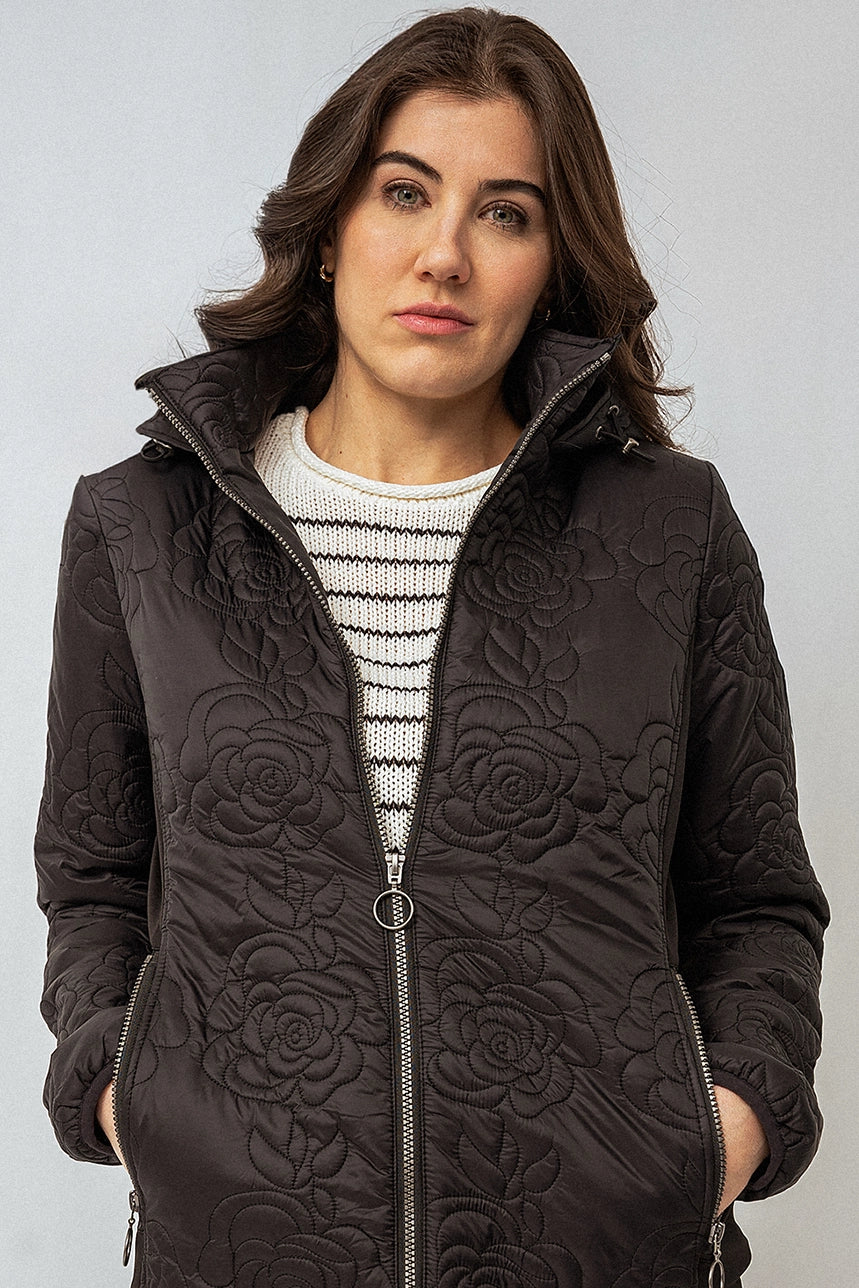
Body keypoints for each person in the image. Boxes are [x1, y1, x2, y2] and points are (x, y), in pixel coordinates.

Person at [35, 8, 828, 1287]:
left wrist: (721, 1127)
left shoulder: (669, 530)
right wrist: (126, 1093)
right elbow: (93, 878)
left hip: (606, 1253)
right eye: (403, 191)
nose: (444, 253)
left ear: (550, 262)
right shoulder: (143, 528)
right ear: (329, 226)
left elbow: (755, 898)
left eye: (504, 213)